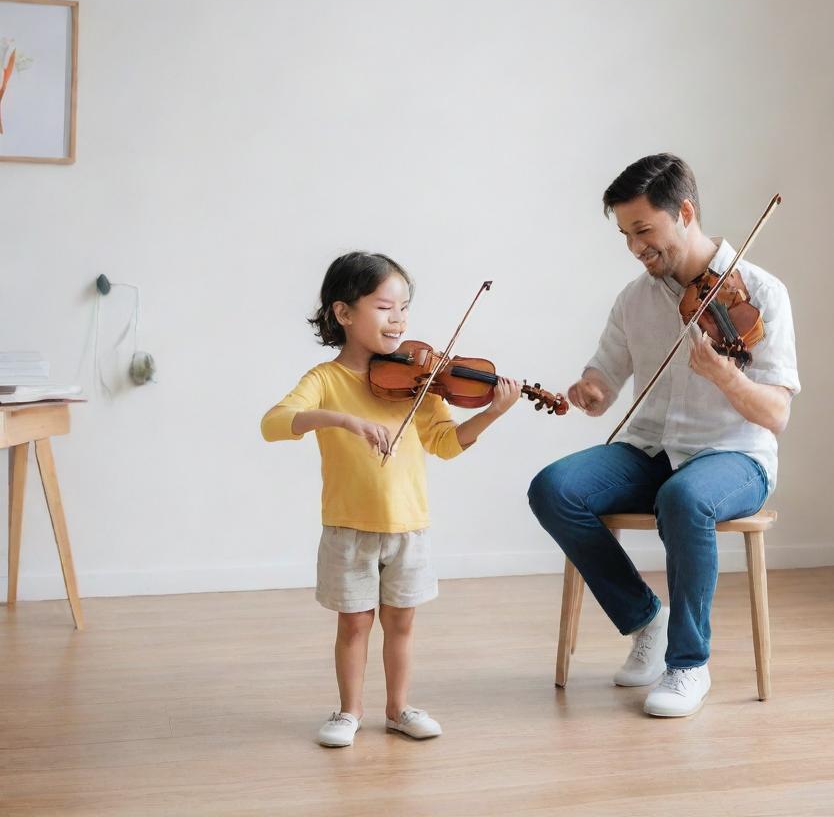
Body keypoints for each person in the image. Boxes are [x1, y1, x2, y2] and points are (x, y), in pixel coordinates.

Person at [529, 154, 799, 718]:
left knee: (685, 497)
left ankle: (688, 664)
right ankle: (645, 620)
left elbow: (775, 414)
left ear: (685, 212)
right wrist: (592, 391)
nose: (635, 247)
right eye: (626, 234)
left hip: (734, 456)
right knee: (554, 488)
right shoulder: (635, 298)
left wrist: (725, 374)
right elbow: (605, 371)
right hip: (652, 448)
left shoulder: (761, 294)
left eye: (644, 230)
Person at [262, 251, 519, 746]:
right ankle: (348, 712)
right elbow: (273, 423)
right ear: (343, 313)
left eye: (405, 308)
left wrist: (493, 413)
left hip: (408, 526)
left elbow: (445, 445)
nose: (399, 319)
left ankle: (399, 708)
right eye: (385, 306)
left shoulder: (420, 382)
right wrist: (342, 419)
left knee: (401, 623)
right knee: (355, 624)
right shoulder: (325, 381)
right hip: (348, 527)